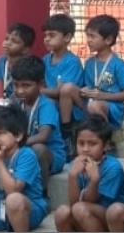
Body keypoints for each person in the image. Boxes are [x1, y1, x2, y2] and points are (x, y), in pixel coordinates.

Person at [53, 115, 124, 232]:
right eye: (81, 143)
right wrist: (72, 176)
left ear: (106, 145)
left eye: (92, 144)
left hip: (111, 218)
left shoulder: (113, 167)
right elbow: (74, 202)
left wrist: (95, 179)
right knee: (62, 212)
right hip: (84, 213)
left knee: (80, 209)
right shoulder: (75, 164)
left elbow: (91, 200)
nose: (85, 149)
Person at [9, 55, 68, 183]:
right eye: (16, 85)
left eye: (26, 85)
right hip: (23, 148)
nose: (20, 90)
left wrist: (14, 143)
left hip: (50, 154)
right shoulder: (15, 102)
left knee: (38, 149)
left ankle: (41, 190)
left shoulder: (46, 105)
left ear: (41, 84)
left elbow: (43, 137)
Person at [81, 14, 124, 130]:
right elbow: (86, 86)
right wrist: (84, 90)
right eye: (87, 36)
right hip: (92, 102)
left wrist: (103, 96)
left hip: (113, 107)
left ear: (108, 40)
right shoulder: (89, 63)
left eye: (92, 36)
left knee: (93, 106)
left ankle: (106, 135)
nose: (88, 40)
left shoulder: (118, 64)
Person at [42, 13, 85, 150]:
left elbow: (59, 91)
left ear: (67, 37)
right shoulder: (45, 60)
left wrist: (39, 91)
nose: (47, 39)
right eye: (45, 35)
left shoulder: (71, 61)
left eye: (52, 35)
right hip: (52, 101)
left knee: (65, 89)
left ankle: (67, 133)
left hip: (73, 107)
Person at [0, 23, 35, 106]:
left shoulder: (30, 65)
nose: (7, 43)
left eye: (14, 41)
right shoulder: (1, 61)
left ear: (25, 49)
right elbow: (3, 88)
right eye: (6, 39)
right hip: (9, 103)